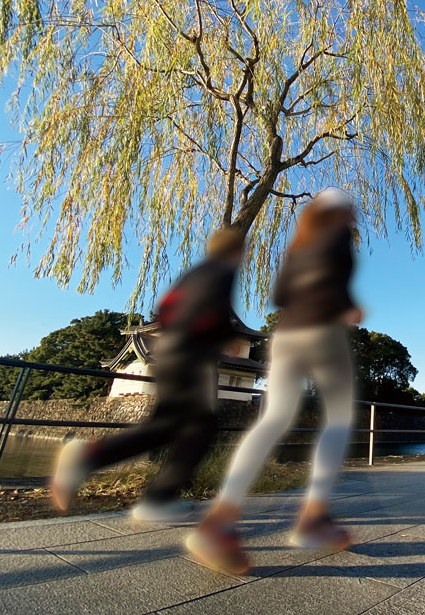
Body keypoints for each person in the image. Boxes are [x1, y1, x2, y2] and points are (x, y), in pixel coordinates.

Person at [186, 187, 361, 575]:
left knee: (273, 419)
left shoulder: (298, 245)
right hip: (322, 331)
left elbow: (280, 294)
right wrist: (347, 304)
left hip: (285, 335)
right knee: (338, 420)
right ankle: (313, 518)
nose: (353, 213)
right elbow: (334, 278)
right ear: (339, 211)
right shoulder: (338, 235)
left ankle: (220, 520)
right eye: (348, 207)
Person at [50, 228, 245, 521]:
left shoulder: (192, 273)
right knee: (198, 426)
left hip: (166, 350)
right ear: (235, 251)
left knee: (169, 426)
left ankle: (138, 486)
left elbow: (164, 310)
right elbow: (212, 309)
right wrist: (226, 337)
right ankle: (151, 494)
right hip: (192, 355)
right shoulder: (222, 270)